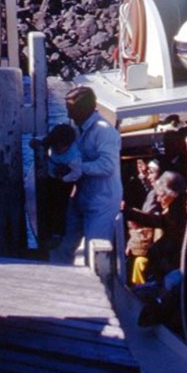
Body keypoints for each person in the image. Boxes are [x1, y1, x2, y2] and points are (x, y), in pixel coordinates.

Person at [52, 86, 122, 265]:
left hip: (102, 202)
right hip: (82, 196)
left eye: (71, 110)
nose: (68, 115)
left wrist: (77, 167)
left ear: (83, 109)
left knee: (95, 250)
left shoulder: (104, 131)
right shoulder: (77, 129)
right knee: (64, 246)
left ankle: (99, 287)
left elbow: (107, 166)